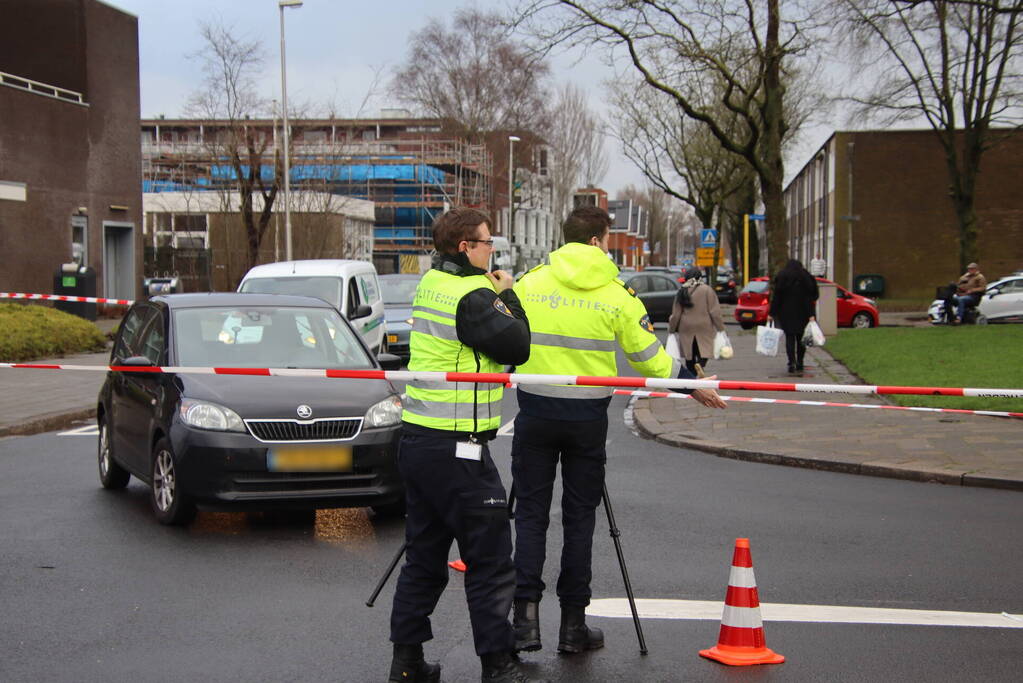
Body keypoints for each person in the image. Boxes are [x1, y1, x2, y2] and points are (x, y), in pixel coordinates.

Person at [509, 206, 727, 657]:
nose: (609, 247)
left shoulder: (530, 284)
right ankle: (573, 626)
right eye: (608, 239)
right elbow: (650, 359)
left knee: (530, 515)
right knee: (579, 520)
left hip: (534, 413)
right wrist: (690, 385)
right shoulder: (617, 294)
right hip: (586, 420)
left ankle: (524, 622)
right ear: (595, 241)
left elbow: (506, 342)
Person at [388, 208, 541, 683]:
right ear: (465, 248)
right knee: (492, 559)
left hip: (418, 440)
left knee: (424, 559)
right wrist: (509, 293)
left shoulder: (431, 282)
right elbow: (518, 346)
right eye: (486, 243)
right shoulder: (474, 295)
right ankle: (498, 665)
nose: (492, 249)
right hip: (460, 446)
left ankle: (407, 664)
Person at [668, 266, 726, 376]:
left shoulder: (682, 291)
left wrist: (671, 329)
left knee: (689, 353)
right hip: (704, 325)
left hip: (686, 327)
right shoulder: (707, 290)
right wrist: (721, 328)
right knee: (704, 350)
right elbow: (715, 312)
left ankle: (692, 376)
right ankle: (700, 364)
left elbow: (676, 314)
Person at [768, 259, 819, 375]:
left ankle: (791, 362)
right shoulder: (806, 277)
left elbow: (777, 297)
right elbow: (813, 296)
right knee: (802, 339)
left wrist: (771, 313)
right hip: (803, 313)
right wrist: (811, 314)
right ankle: (800, 361)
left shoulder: (782, 277)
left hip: (786, 313)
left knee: (789, 338)